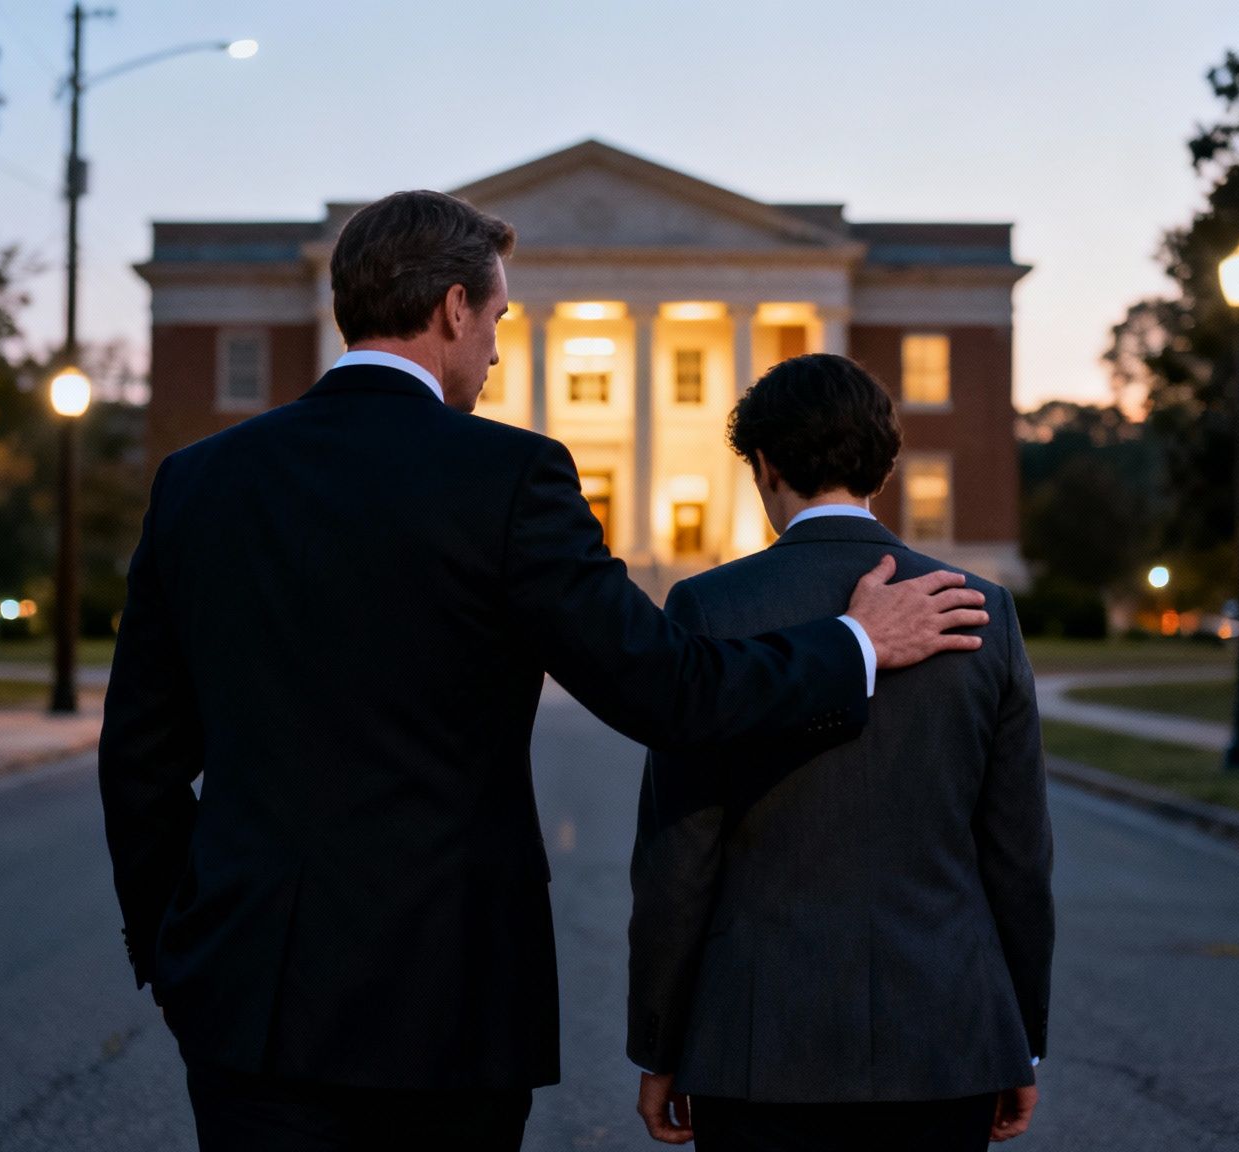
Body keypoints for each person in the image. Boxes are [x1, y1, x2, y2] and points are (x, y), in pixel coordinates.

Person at [98, 190, 994, 1151]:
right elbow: (666, 689)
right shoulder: (510, 477)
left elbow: (140, 757)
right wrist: (855, 644)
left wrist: (175, 949)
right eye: (495, 321)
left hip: (246, 993)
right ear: (452, 309)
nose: (493, 352)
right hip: (448, 1002)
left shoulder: (200, 482)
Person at [626, 353, 1053, 1151]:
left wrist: (658, 1044)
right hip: (950, 1039)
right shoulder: (982, 609)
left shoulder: (707, 607)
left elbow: (678, 857)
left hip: (756, 1047)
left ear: (765, 465)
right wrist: (1018, 1037)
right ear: (884, 466)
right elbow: (1019, 855)